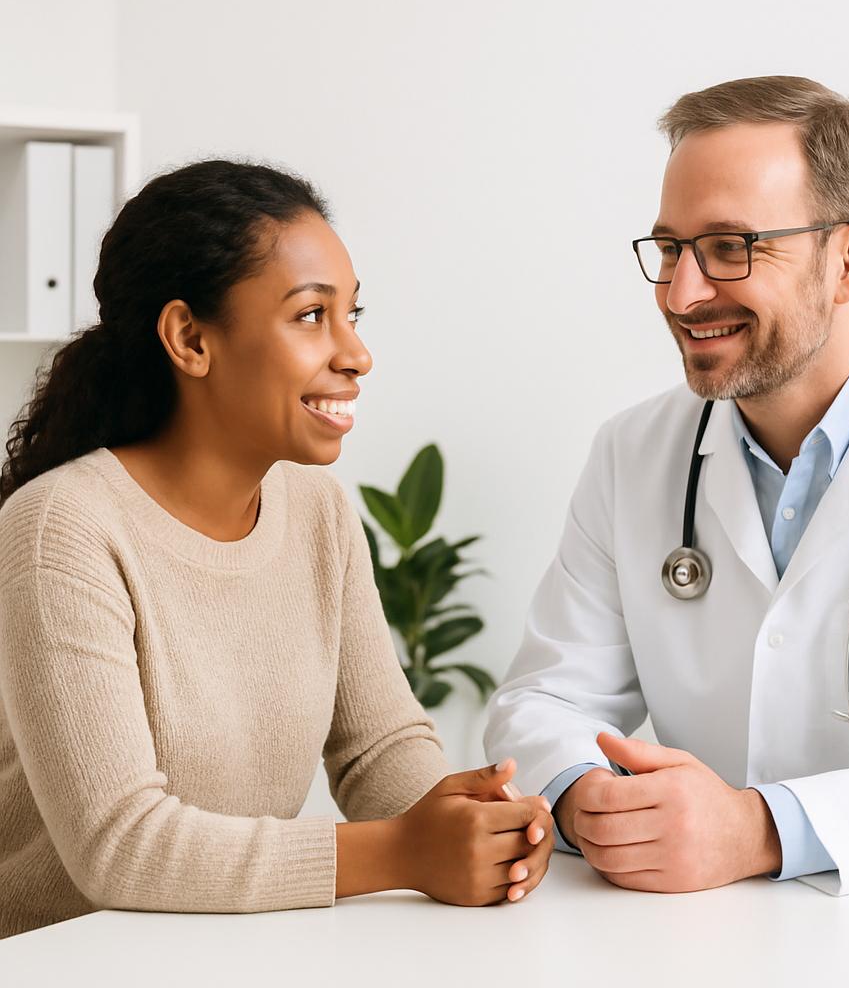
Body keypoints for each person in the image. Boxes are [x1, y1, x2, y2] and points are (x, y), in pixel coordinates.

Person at [484, 75, 849, 895]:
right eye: (671, 249)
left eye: (731, 247)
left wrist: (760, 829)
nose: (682, 293)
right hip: (688, 937)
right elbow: (543, 699)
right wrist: (584, 797)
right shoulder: (633, 453)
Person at [0, 160, 552, 939]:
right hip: (60, 961)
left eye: (353, 313)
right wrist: (402, 852)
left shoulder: (319, 512)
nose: (356, 354)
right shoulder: (63, 526)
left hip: (229, 949)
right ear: (190, 338)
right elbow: (119, 847)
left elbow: (377, 747)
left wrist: (471, 822)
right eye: (311, 315)